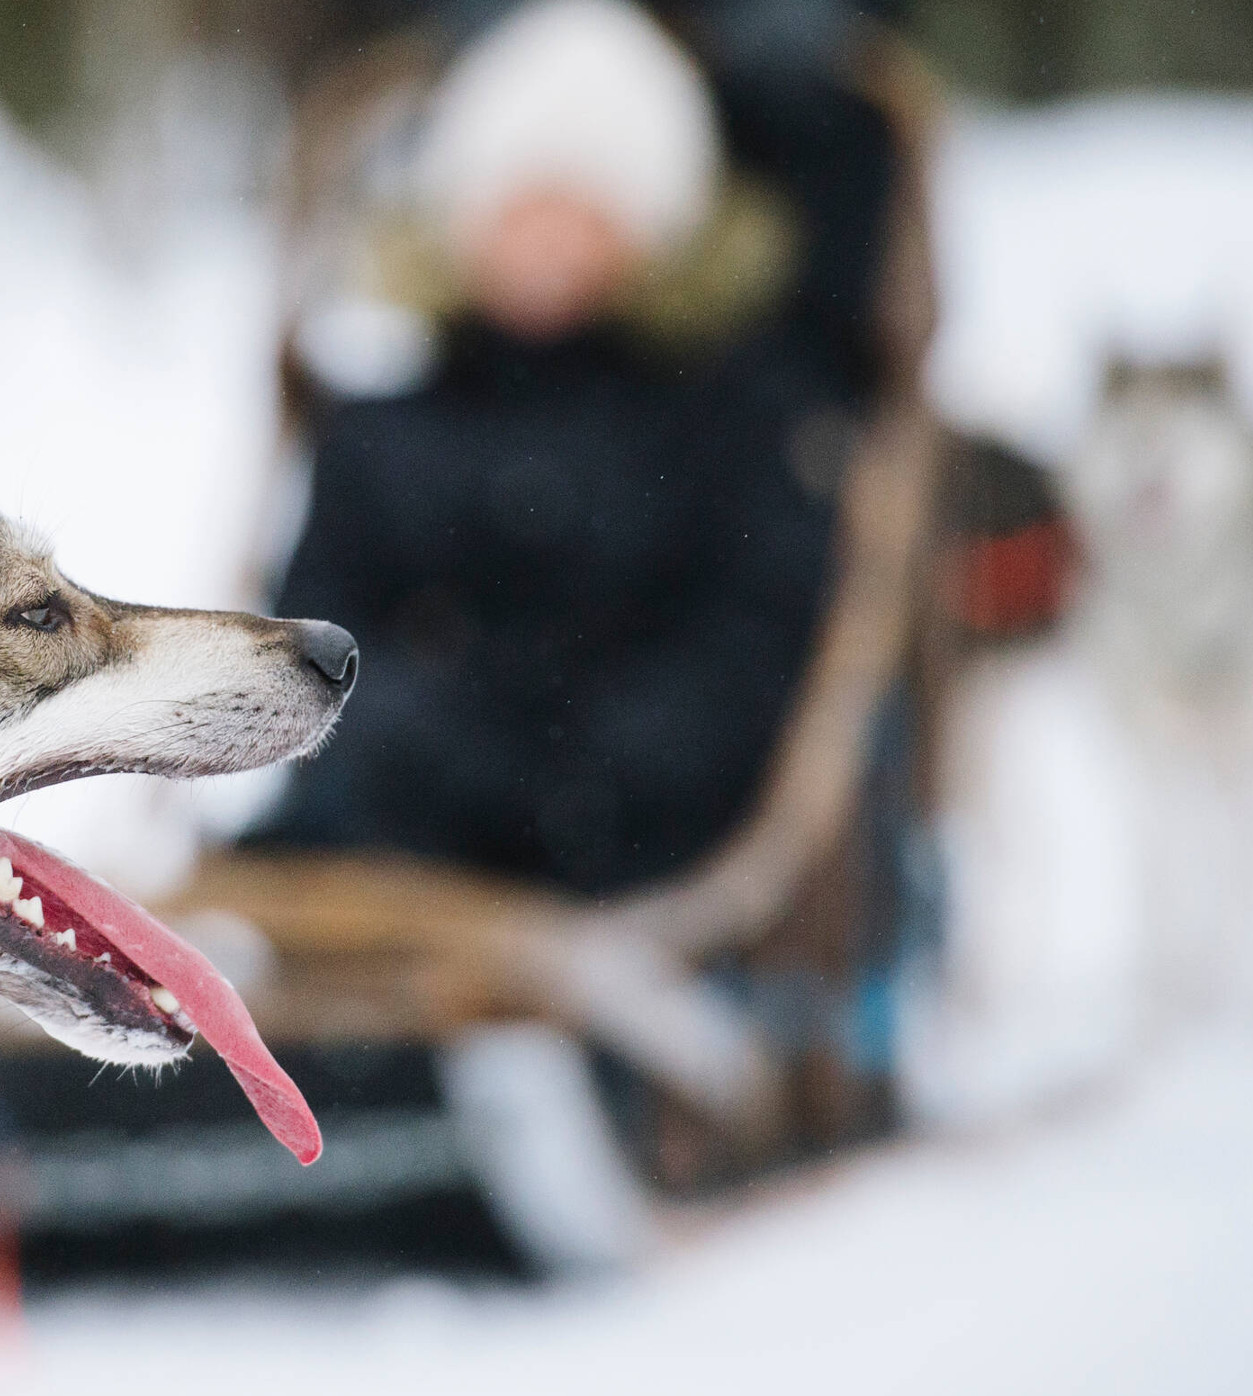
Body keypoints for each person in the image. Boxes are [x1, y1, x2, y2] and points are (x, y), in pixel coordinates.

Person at [257, 0, 901, 900]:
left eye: (585, 207)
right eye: (520, 202)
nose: (547, 239)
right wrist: (412, 745)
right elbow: (319, 621)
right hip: (395, 822)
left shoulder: (729, 426)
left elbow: (745, 646)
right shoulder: (383, 429)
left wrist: (576, 780)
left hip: (633, 833)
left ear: (653, 233)